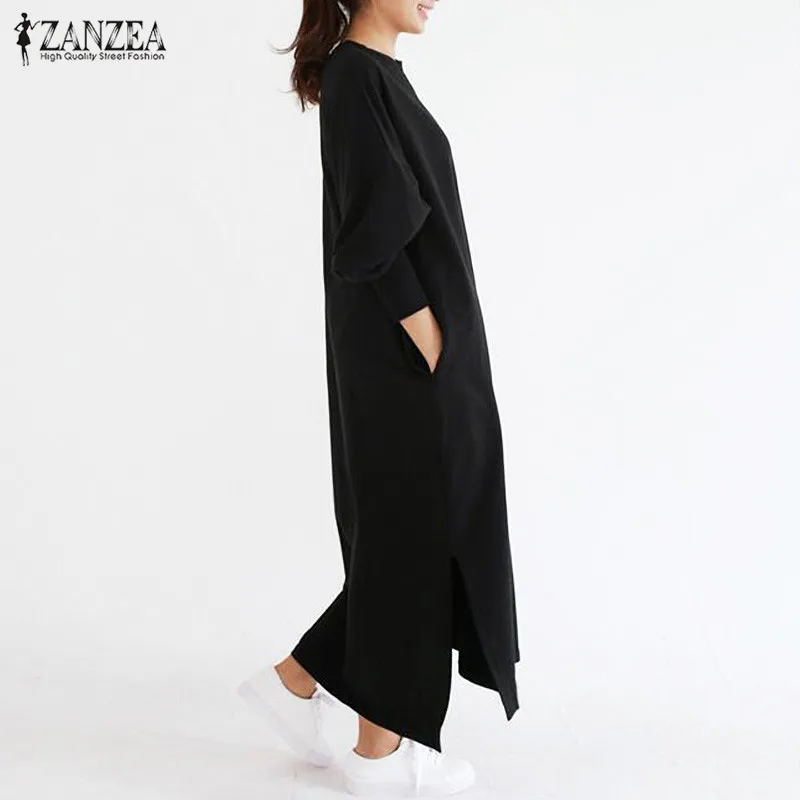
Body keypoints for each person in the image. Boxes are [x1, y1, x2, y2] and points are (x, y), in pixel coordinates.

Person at [238, 1, 520, 795]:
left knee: (412, 534)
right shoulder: (357, 77)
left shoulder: (378, 77)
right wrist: (430, 340)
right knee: (410, 541)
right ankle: (379, 754)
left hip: (417, 358)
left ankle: (297, 683)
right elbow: (372, 233)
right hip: (403, 361)